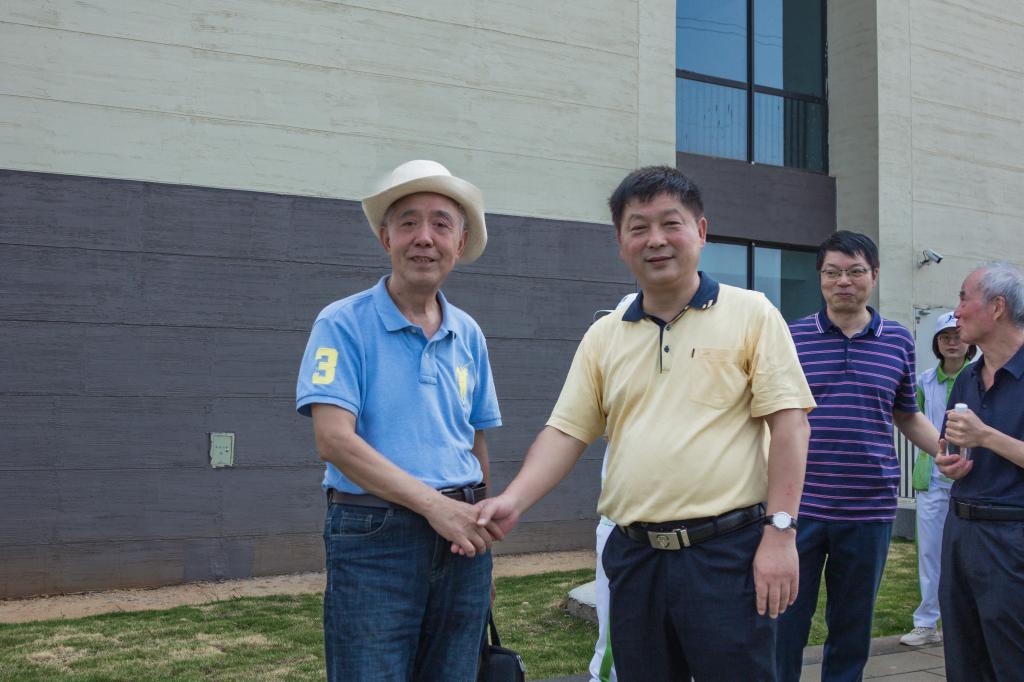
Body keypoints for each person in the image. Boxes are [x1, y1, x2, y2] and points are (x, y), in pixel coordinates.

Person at [476, 166, 816, 680]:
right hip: (635, 559)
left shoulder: (753, 314)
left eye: (670, 223)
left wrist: (781, 532)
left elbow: (790, 426)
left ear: (701, 231)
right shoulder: (605, 335)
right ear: (621, 243)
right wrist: (514, 500)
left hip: (727, 554)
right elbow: (566, 432)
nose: (655, 240)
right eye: (638, 228)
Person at [295, 160, 502, 682]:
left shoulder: (469, 334)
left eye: (440, 224)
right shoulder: (342, 323)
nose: (423, 237)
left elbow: (473, 441)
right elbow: (333, 440)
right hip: (375, 537)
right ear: (386, 237)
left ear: (459, 243)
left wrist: (481, 540)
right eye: (408, 222)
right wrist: (436, 508)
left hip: (462, 542)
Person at [777, 231, 940, 682]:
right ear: (820, 277)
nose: (843, 282)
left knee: (852, 625)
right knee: (784, 621)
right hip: (800, 504)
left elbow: (906, 413)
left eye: (854, 272)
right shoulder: (791, 338)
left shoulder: (898, 341)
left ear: (874, 276)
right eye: (832, 272)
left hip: (869, 507)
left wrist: (945, 451)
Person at [936, 262, 1024, 682]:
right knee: (964, 660)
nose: (956, 312)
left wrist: (986, 436)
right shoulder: (967, 378)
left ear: (997, 307)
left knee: (1012, 661)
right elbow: (952, 444)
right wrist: (949, 463)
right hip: (960, 531)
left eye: (963, 298)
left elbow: (981, 436)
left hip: (1013, 538)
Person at [900, 311, 976, 646]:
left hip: (972, 480)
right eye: (945, 337)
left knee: (970, 554)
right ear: (937, 343)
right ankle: (926, 623)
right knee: (930, 553)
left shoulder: (980, 377)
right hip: (932, 479)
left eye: (957, 336)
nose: (952, 343)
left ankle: (966, 623)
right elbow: (911, 419)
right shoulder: (924, 381)